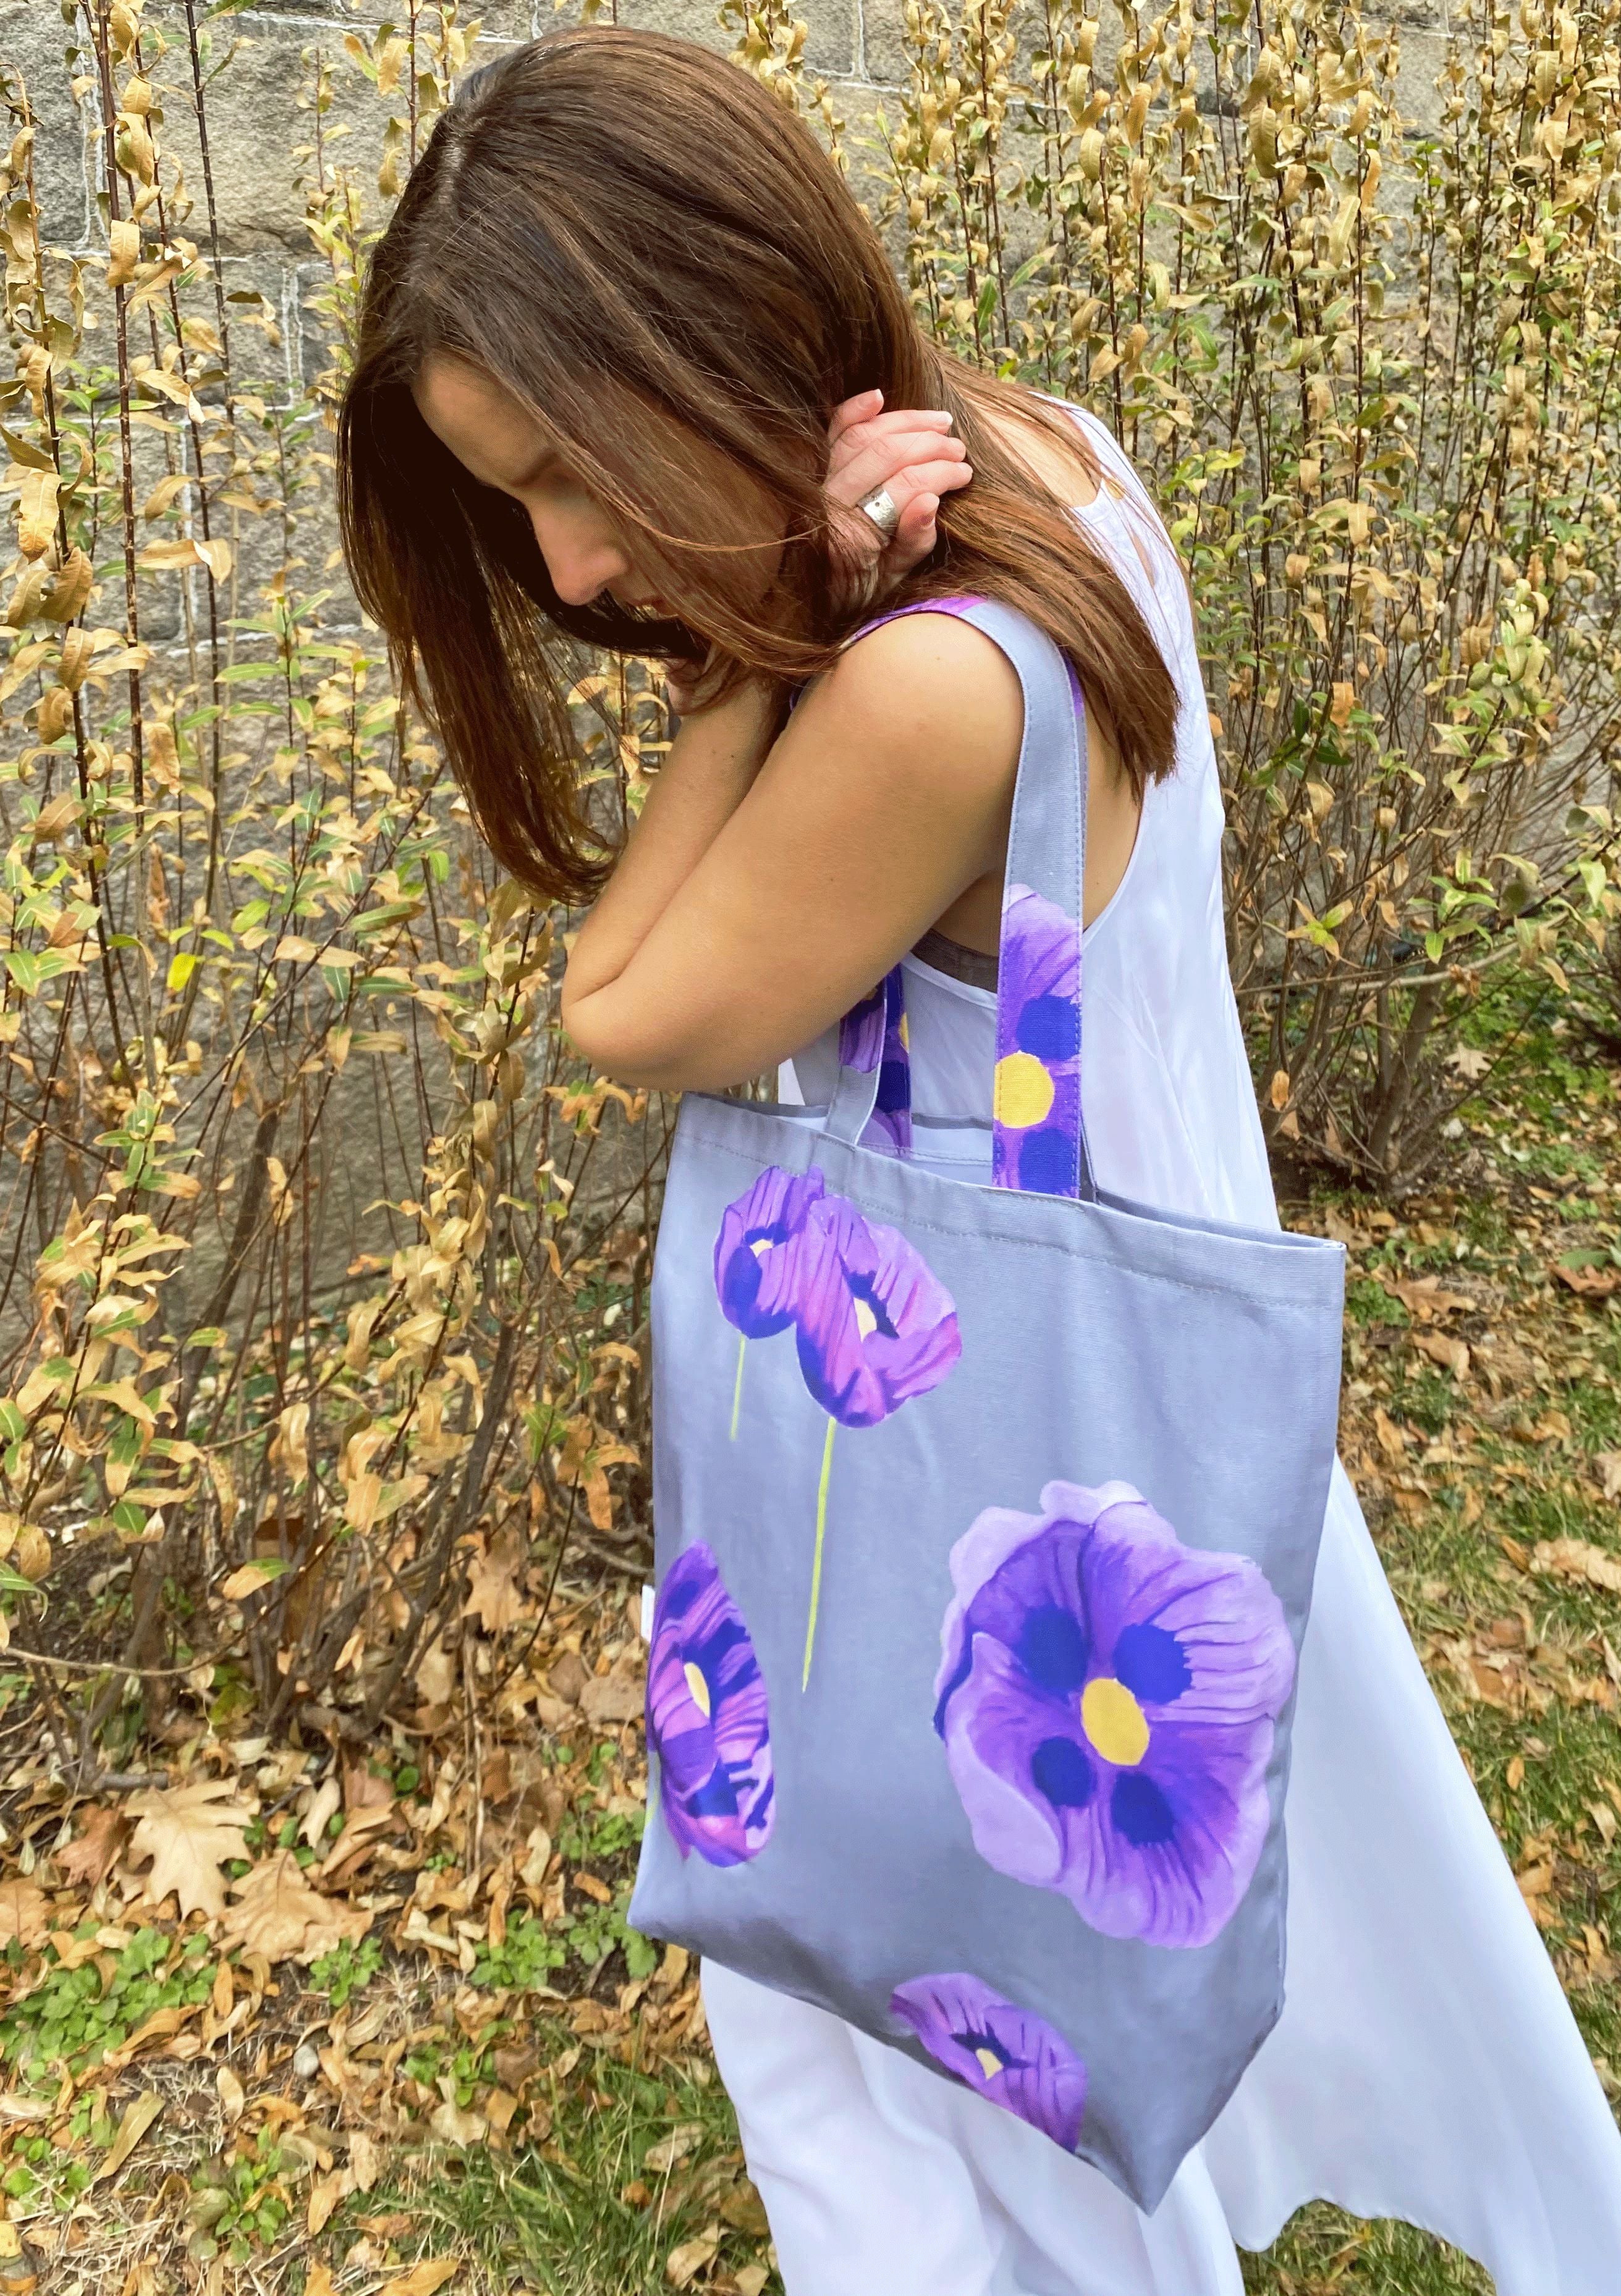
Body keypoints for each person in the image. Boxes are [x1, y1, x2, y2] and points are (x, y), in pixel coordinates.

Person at [336, 25, 1621, 2295]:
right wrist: (785, 607)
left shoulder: (922, 688)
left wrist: (742, 674)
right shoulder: (1047, 458)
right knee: (1126, 2007)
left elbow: (622, 1012)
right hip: (1117, 1433)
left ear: (711, 329)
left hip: (933, 1547)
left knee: (912, 2086)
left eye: (569, 467)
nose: (565, 559)